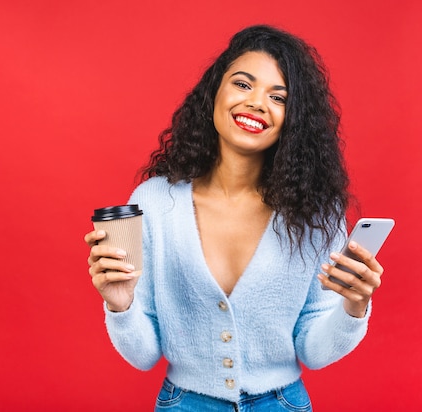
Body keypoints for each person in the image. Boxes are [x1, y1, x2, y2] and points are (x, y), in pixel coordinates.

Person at [84, 25, 385, 411]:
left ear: (293, 119)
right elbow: (142, 355)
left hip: (283, 404)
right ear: (215, 92)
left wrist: (353, 309)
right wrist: (120, 304)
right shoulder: (155, 202)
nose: (257, 102)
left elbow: (314, 351)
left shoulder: (315, 213)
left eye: (278, 97)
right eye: (243, 85)